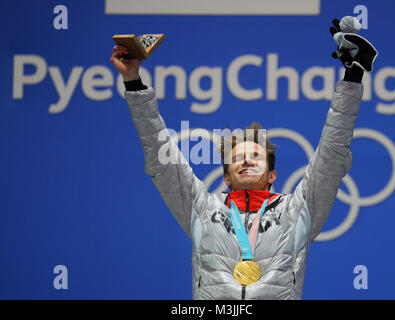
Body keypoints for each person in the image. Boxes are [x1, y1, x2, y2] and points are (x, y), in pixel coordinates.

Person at [110, 19, 378, 300]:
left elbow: (332, 154)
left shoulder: (297, 210)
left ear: (272, 175)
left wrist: (352, 76)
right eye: (237, 158)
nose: (246, 161)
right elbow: (159, 151)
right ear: (226, 177)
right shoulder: (201, 207)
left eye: (256, 156)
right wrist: (133, 80)